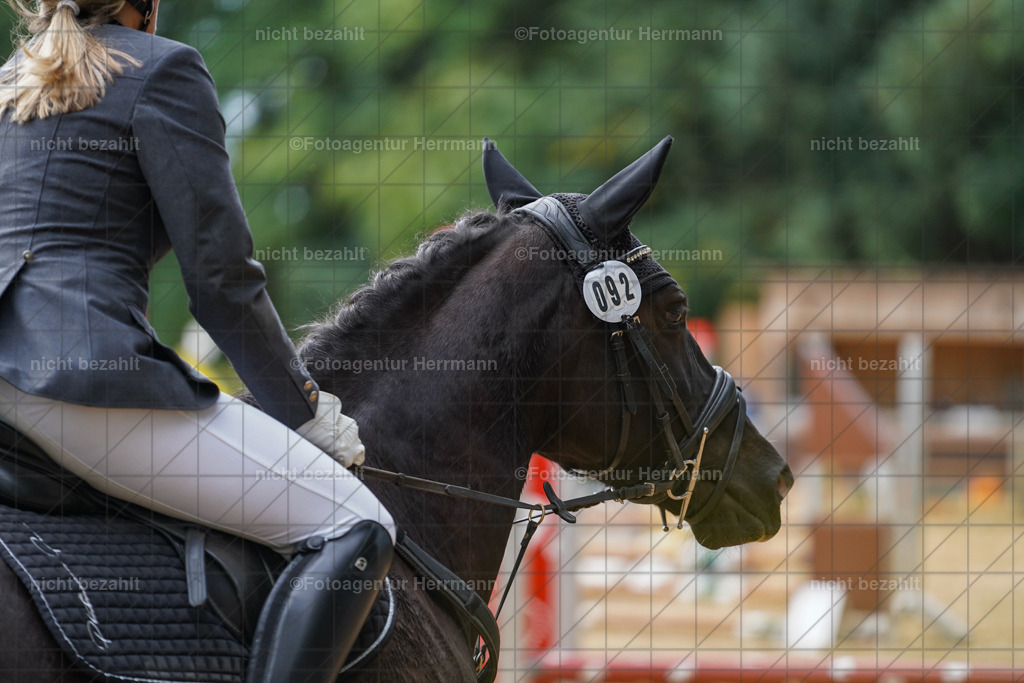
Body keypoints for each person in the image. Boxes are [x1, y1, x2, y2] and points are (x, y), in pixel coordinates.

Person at [0, 1, 393, 681]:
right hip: (76, 382)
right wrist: (307, 413)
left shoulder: (10, 81)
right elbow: (221, 281)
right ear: (145, 5)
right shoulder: (164, 68)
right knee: (356, 523)